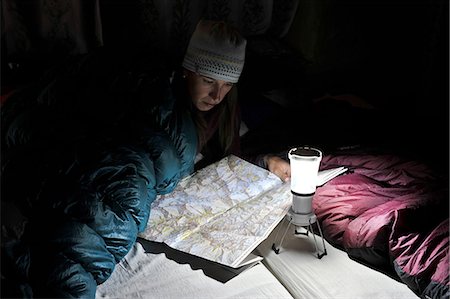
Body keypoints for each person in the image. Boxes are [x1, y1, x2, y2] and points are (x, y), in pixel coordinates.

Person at [171, 19, 291, 181]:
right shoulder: (165, 109)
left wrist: (266, 161)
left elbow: (230, 160)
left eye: (227, 84)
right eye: (208, 81)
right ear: (187, 71)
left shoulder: (226, 106)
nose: (217, 96)